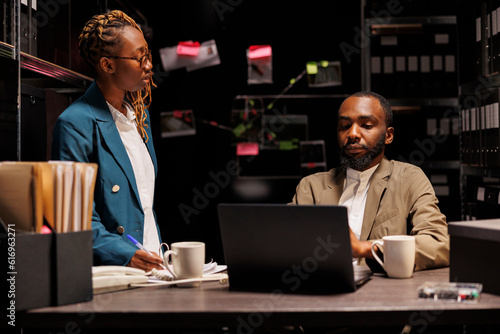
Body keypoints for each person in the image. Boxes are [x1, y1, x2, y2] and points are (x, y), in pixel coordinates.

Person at [51, 10, 164, 271]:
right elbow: (74, 218)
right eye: (138, 58)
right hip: (112, 273)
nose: (148, 65)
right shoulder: (75, 123)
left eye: (147, 55)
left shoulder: (140, 118)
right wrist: (128, 255)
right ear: (107, 65)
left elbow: (143, 206)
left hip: (154, 269)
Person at [291, 91, 449, 271]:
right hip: (323, 286)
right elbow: (285, 241)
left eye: (366, 125)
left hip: (383, 291)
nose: (353, 134)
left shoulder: (409, 179)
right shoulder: (311, 187)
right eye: (344, 126)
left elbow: (438, 243)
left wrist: (365, 248)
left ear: (388, 135)